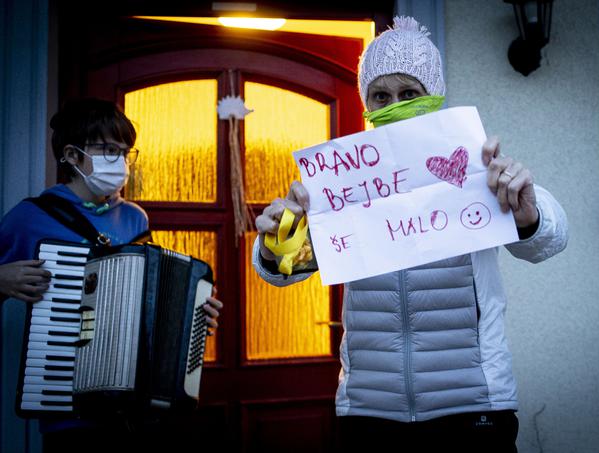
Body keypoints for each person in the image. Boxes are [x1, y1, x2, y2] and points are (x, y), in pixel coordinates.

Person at [252, 16, 568, 452]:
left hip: (473, 407)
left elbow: (548, 240)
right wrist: (275, 241)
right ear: (366, 103)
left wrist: (529, 209)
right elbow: (285, 268)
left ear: (433, 97)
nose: (394, 104)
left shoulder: (476, 164)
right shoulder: (344, 180)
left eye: (409, 94)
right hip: (369, 411)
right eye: (380, 95)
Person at [0, 98, 222, 451]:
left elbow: (153, 295)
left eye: (124, 152)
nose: (120, 161)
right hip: (67, 411)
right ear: (72, 156)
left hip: (136, 412)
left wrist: (194, 315)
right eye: (107, 149)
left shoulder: (134, 218)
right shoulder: (30, 217)